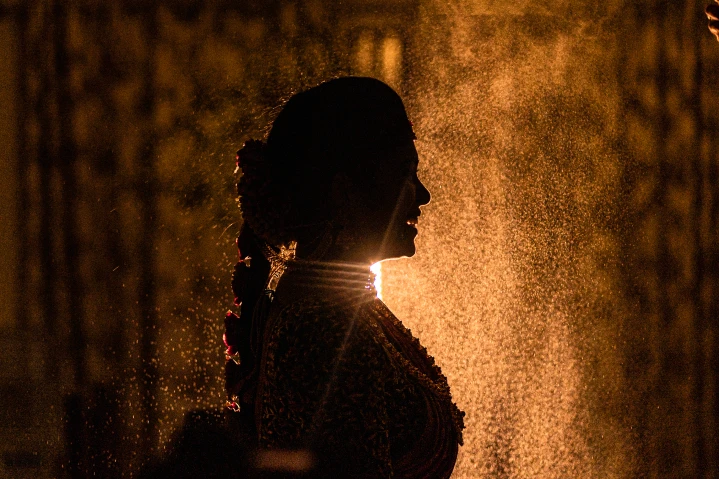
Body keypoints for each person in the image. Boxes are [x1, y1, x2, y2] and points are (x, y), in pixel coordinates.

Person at [224, 77, 464, 478]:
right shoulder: (322, 328)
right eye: (405, 174)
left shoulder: (339, 309)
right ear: (344, 193)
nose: (422, 195)